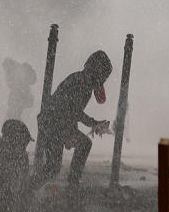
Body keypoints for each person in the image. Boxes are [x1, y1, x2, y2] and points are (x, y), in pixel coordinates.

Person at [33, 50, 112, 189]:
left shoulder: (82, 80)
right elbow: (73, 110)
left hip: (59, 123)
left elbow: (69, 110)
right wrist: (94, 123)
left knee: (81, 145)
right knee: (53, 167)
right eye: (104, 76)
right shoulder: (82, 82)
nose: (103, 80)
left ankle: (72, 183)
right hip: (53, 124)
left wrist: (73, 130)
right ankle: (28, 189)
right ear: (97, 72)